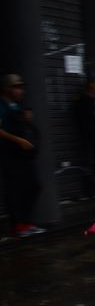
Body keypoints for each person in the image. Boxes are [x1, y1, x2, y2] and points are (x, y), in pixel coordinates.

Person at [0, 73, 44, 238]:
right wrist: (17, 140)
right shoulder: (2, 106)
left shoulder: (16, 106)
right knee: (15, 190)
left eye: (21, 87)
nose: (21, 90)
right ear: (6, 88)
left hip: (23, 155)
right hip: (9, 154)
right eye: (16, 87)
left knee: (33, 186)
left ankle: (26, 222)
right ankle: (19, 225)